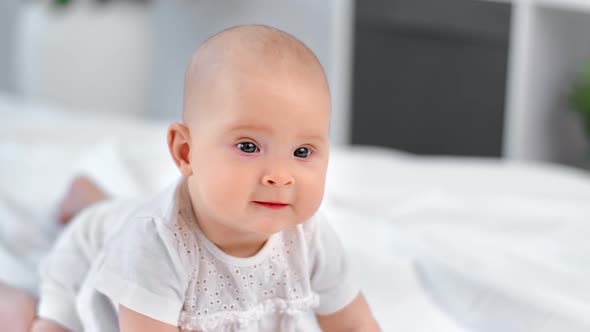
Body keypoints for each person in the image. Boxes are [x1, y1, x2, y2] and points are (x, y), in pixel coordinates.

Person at [7, 24, 381, 331]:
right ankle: (18, 297)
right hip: (89, 256)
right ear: (186, 152)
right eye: (249, 146)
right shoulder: (156, 246)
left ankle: (88, 200)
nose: (280, 177)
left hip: (124, 222)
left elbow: (356, 325)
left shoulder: (308, 236)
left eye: (302, 152)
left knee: (117, 216)